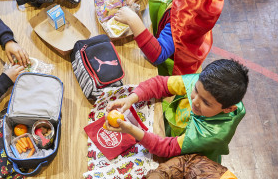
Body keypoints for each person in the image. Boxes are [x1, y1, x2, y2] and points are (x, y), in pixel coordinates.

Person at [106, 59, 248, 163]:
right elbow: (160, 84)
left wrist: (132, 130)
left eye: (206, 102)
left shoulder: (212, 134)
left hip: (187, 157)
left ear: (228, 109)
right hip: (169, 132)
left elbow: (167, 148)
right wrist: (131, 98)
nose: (195, 101)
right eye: (196, 90)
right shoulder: (205, 85)